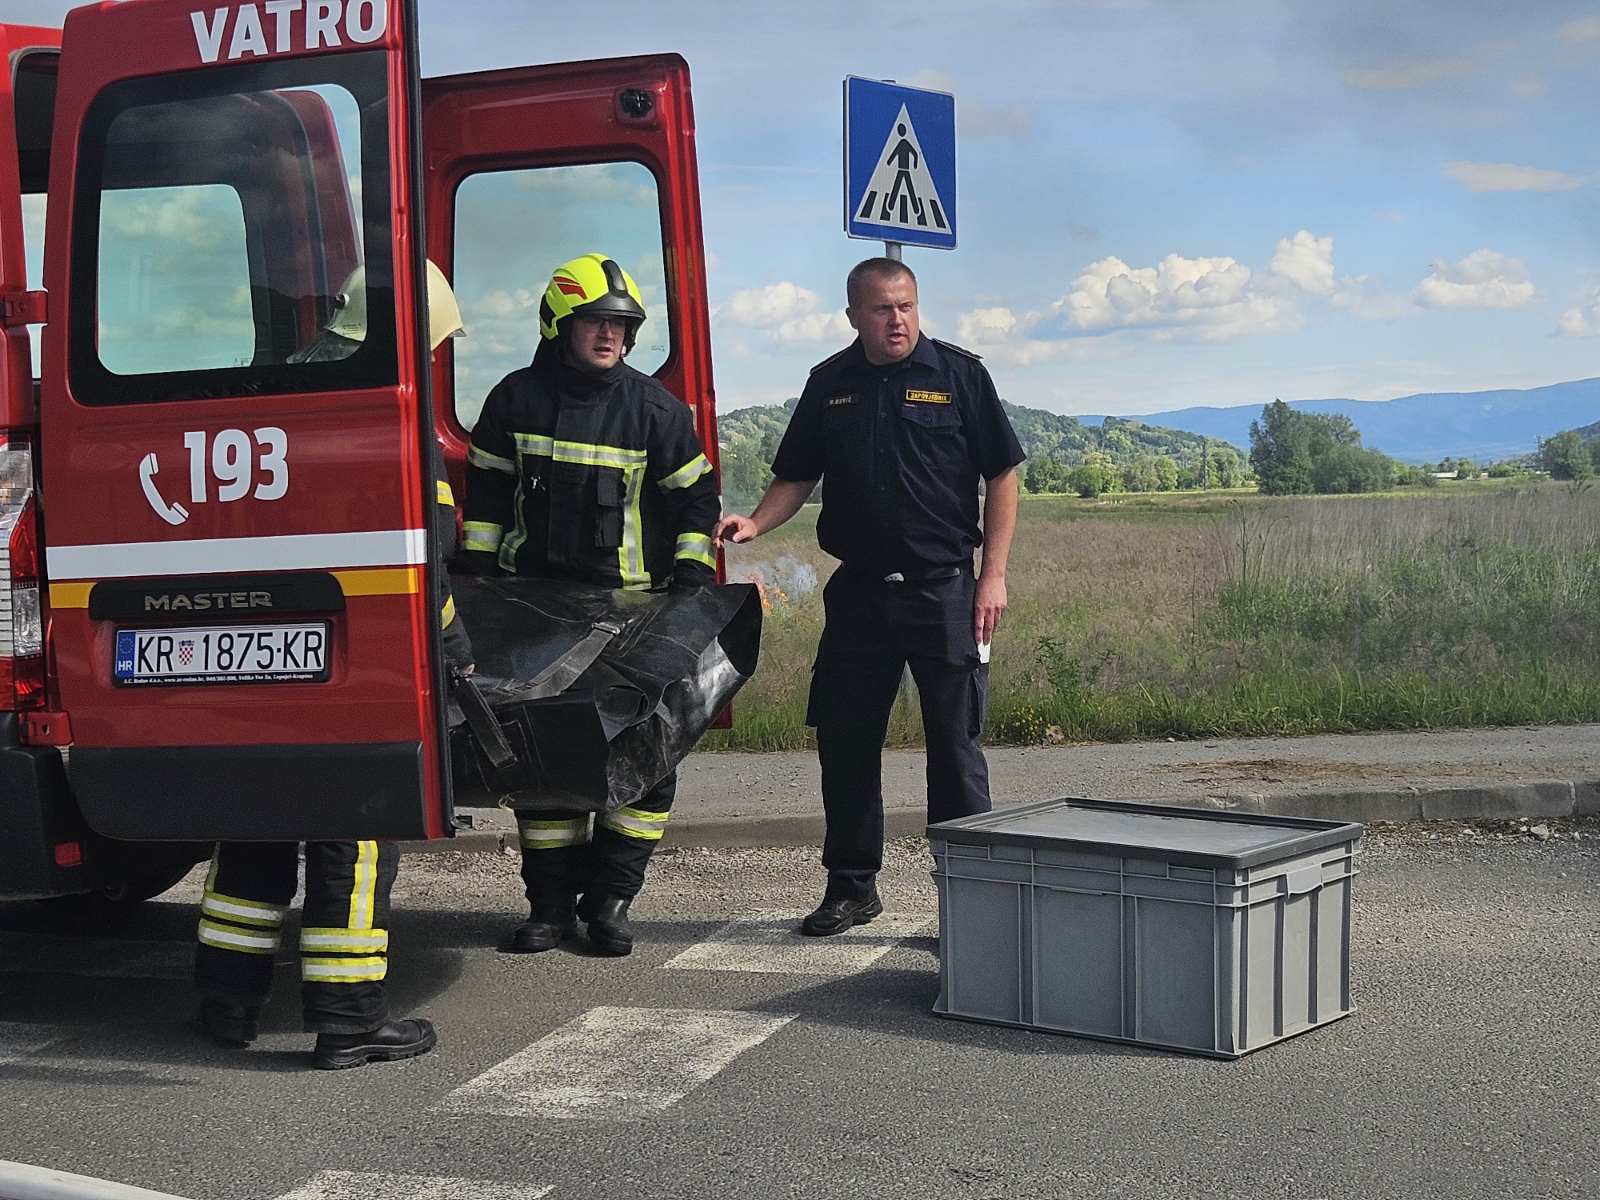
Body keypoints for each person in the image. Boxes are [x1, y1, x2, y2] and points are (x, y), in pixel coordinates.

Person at [193, 262, 474, 1069]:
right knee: (354, 831)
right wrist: (455, 647)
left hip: (259, 641)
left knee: (255, 814)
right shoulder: (388, 413)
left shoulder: (278, 391)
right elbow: (427, 558)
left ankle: (226, 1000)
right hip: (351, 651)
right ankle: (349, 1019)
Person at [714, 257, 1023, 936]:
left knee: (955, 752)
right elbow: (796, 475)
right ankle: (851, 888)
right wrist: (756, 523)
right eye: (882, 309)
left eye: (906, 306)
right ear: (854, 314)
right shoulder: (830, 384)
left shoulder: (960, 376)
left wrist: (993, 575)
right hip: (859, 595)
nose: (897, 321)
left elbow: (1002, 474)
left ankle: (968, 906)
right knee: (846, 742)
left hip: (945, 592)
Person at [463, 253, 718, 957]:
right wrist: (477, 579)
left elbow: (696, 501)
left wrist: (690, 580)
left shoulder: (656, 411)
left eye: (621, 325)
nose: (611, 335)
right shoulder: (513, 401)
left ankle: (611, 901)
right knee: (539, 763)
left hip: (629, 618)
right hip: (530, 617)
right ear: (558, 325)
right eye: (595, 322)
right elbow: (485, 499)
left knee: (645, 760)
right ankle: (549, 908)